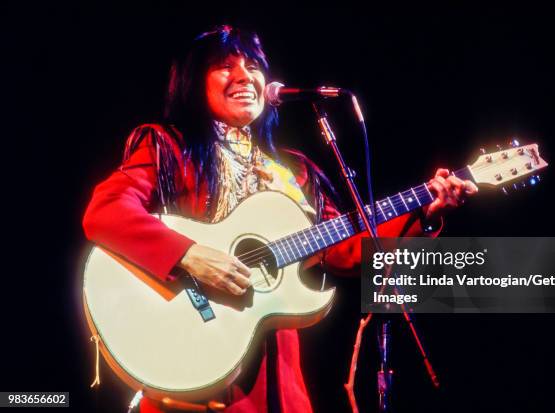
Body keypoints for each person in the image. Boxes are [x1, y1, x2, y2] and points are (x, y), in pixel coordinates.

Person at [82, 25, 477, 413]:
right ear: (193, 83)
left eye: (253, 65)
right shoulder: (170, 148)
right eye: (224, 66)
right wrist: (188, 254)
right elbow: (106, 212)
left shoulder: (295, 173)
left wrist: (424, 212)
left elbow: (347, 250)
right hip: (193, 368)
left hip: (278, 382)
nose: (244, 76)